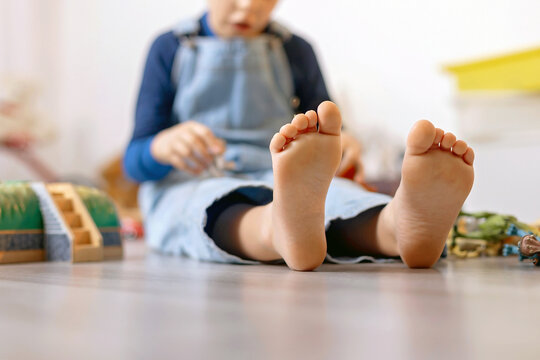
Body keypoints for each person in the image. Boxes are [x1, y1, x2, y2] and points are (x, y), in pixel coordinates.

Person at [124, 0, 475, 271]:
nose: (248, 6)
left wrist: (345, 143)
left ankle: (395, 228)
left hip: (280, 173)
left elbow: (327, 122)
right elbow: (133, 162)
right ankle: (275, 230)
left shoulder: (295, 50)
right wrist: (160, 146)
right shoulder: (169, 49)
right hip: (194, 178)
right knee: (206, 207)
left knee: (337, 196)